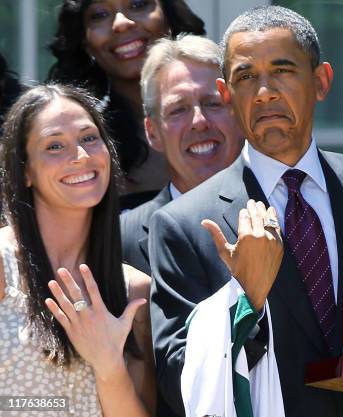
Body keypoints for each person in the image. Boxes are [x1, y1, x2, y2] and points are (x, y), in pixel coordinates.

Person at [148, 6, 343, 417]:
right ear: (226, 94)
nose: (265, 91)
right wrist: (245, 300)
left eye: (283, 69)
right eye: (245, 76)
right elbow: (176, 381)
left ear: (321, 80)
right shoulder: (184, 225)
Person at [0, 84, 156, 416]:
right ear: (25, 170)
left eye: (89, 138)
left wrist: (108, 365)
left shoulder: (134, 291)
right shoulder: (2, 267)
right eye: (55, 145)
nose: (81, 156)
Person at [48, 0, 205, 208]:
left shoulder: (231, 117)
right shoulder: (86, 143)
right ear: (85, 42)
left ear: (169, 15)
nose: (121, 23)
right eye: (100, 14)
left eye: (138, 4)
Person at [121, 34, 244, 276]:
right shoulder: (121, 239)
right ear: (152, 131)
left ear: (239, 115)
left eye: (213, 103)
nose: (199, 122)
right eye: (178, 110)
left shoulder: (281, 210)